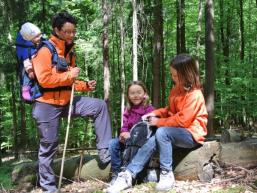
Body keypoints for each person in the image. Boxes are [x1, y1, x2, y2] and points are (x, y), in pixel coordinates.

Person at [32, 11, 112, 193]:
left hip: (67, 101)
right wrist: (69, 75)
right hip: (46, 104)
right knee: (49, 146)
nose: (71, 35)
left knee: (99, 106)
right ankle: (48, 187)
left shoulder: (69, 52)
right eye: (67, 32)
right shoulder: (44, 50)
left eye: (73, 31)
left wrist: (85, 85)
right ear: (57, 30)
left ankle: (105, 151)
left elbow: (70, 81)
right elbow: (44, 80)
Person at [107, 54, 208, 193]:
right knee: (155, 138)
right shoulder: (176, 90)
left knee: (162, 132)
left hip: (192, 135)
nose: (173, 78)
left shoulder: (195, 95)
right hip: (174, 133)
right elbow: (170, 111)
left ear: (188, 74)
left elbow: (183, 120)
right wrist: (156, 113)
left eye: (176, 76)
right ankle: (128, 175)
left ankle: (167, 173)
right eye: (172, 75)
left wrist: (158, 122)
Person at [109, 80, 154, 184]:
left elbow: (150, 129)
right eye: (132, 93)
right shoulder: (128, 109)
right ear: (128, 96)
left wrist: (133, 135)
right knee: (112, 143)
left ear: (145, 94)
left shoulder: (149, 109)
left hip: (142, 141)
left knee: (135, 143)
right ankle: (116, 173)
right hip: (128, 139)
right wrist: (123, 133)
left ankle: (131, 172)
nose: (136, 95)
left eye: (139, 92)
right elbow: (124, 126)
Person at [16, 22, 42, 101]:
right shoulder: (26, 49)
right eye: (37, 37)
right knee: (27, 77)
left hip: (37, 65)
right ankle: (25, 89)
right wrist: (30, 71)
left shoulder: (34, 43)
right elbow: (26, 62)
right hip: (29, 68)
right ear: (29, 38)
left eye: (39, 35)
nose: (39, 37)